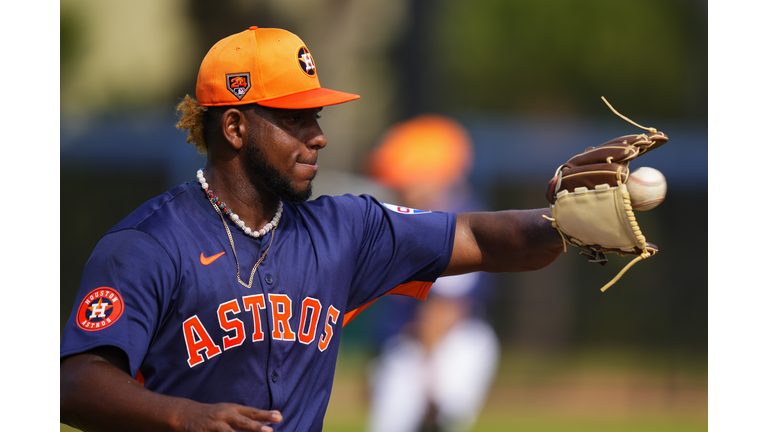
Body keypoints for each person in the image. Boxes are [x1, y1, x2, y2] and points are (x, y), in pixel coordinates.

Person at [60, 26, 563, 432]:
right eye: (295, 119)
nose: (318, 136)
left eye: (315, 116)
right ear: (235, 127)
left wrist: (566, 222)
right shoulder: (149, 245)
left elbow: (475, 235)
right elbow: (73, 383)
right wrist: (182, 417)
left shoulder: (347, 229)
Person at [363, 114, 500, 432]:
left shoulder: (455, 224)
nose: (395, 186)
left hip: (444, 351)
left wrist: (429, 389)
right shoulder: (427, 219)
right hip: (417, 349)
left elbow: (444, 310)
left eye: (402, 177)